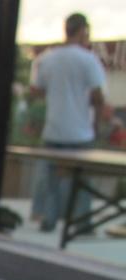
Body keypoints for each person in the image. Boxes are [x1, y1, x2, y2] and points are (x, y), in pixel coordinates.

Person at [29, 13, 106, 232]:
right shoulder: (88, 59)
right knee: (80, 181)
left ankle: (48, 219)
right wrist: (96, 124)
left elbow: (37, 90)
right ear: (82, 30)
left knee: (51, 178)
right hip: (80, 131)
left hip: (53, 129)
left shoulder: (48, 59)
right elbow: (99, 97)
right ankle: (80, 222)